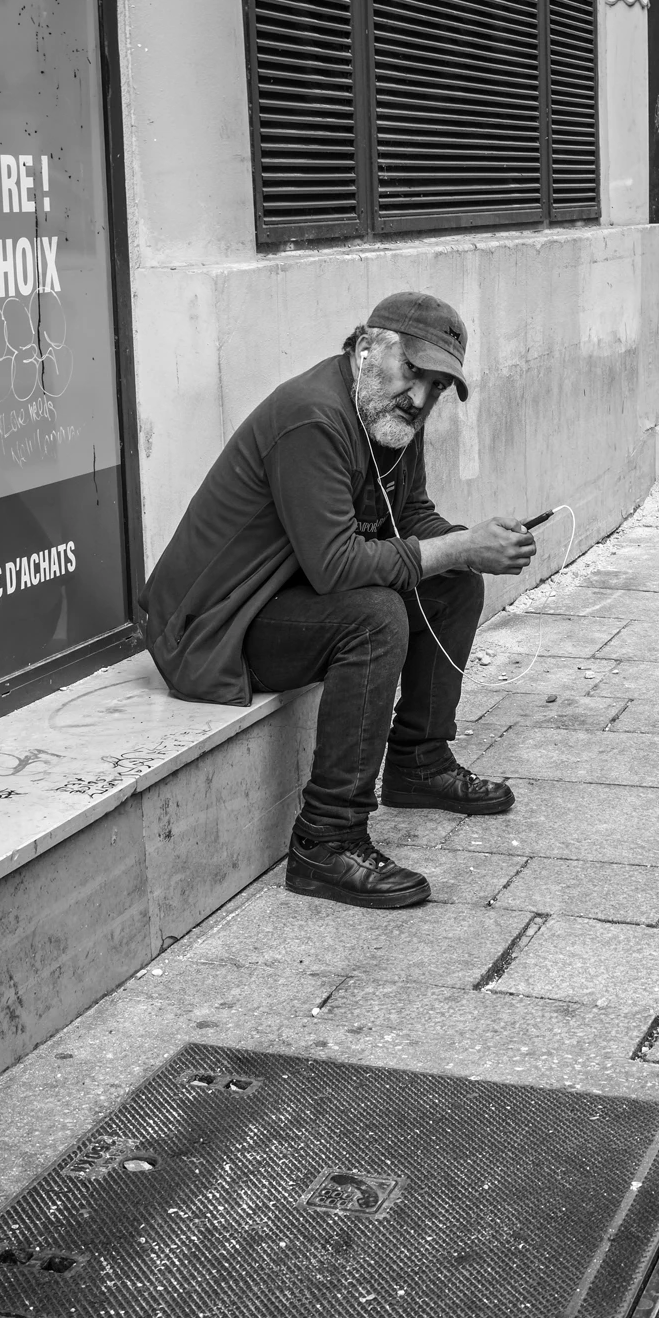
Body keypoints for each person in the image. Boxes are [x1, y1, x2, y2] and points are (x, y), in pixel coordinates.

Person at [139, 292, 536, 911]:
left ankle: (419, 761)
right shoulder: (314, 417)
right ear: (367, 347)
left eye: (435, 387)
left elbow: (412, 518)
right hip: (213, 625)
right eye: (414, 373)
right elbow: (336, 566)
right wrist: (461, 548)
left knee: (455, 580)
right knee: (375, 617)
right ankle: (326, 840)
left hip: (284, 596)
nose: (421, 398)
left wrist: (471, 545)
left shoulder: (392, 416)